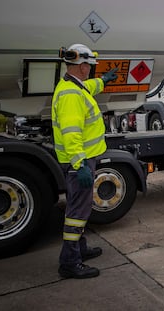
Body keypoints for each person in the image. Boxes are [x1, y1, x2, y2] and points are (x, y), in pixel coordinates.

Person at [52, 43, 118, 279]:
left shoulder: (73, 86)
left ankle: (80, 250)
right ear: (81, 66)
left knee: (78, 207)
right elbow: (72, 133)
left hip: (79, 160)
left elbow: (88, 87)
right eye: (89, 66)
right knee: (77, 212)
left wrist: (104, 81)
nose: (91, 70)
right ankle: (69, 262)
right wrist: (79, 164)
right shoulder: (70, 95)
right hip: (79, 162)